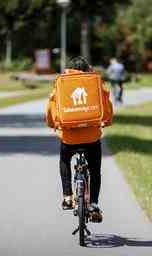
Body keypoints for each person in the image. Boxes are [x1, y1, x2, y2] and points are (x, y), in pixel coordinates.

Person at [45, 56, 113, 222]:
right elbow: (106, 107)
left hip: (69, 137)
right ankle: (94, 204)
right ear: (87, 69)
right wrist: (107, 121)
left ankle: (68, 196)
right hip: (91, 136)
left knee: (64, 160)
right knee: (95, 170)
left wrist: (52, 124)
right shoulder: (95, 83)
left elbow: (51, 109)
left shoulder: (61, 83)